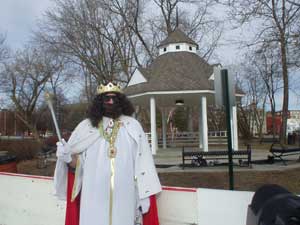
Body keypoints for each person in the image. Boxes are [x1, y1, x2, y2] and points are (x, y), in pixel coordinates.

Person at [54, 82, 162, 225]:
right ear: (99, 102)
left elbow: (143, 164)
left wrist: (144, 193)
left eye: (114, 98)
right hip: (93, 198)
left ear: (121, 102)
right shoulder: (86, 127)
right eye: (106, 98)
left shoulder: (133, 126)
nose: (110, 102)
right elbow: (78, 167)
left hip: (125, 197)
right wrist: (67, 157)